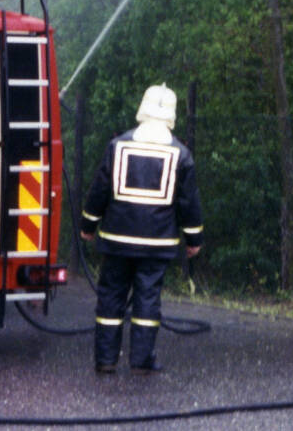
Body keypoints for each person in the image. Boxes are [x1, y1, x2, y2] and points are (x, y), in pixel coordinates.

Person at [80, 83, 203, 374]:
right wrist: (194, 238)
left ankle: (106, 360)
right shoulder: (181, 154)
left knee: (110, 297)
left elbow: (99, 189)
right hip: (156, 243)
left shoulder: (118, 145)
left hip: (116, 240)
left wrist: (88, 225)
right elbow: (189, 202)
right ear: (171, 115)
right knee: (147, 300)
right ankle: (141, 360)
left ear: (142, 108)